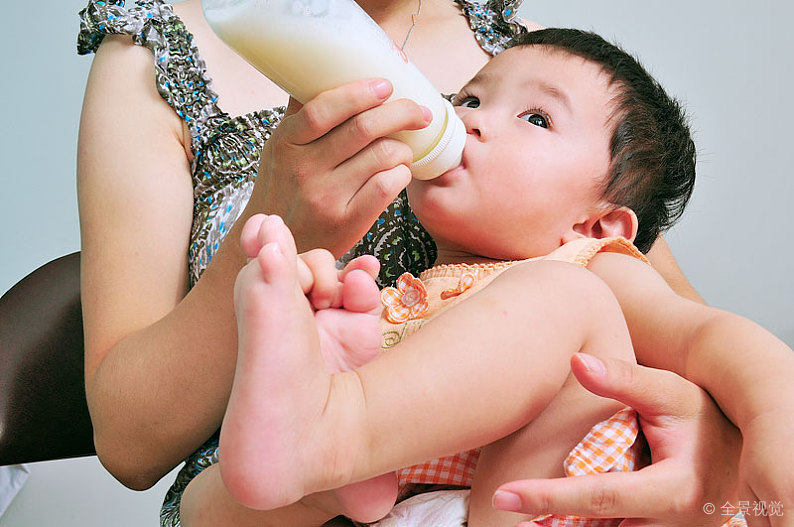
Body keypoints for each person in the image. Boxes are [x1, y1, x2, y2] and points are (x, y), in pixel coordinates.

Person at [73, 0, 790, 525]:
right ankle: (332, 446)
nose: (472, 115)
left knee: (571, 302)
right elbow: (130, 445)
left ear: (599, 219)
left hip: (529, 496)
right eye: (469, 98)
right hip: (367, 498)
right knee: (222, 486)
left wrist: (769, 415)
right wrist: (282, 260)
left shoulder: (588, 255)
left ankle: (337, 427)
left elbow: (701, 337)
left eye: (533, 119)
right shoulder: (153, 46)